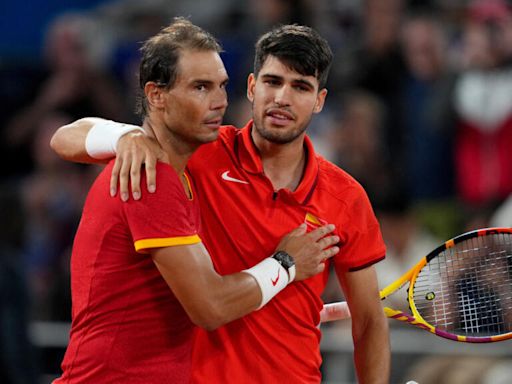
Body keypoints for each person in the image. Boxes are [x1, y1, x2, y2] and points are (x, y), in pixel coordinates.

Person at [51, 23, 390, 383]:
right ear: (252, 87)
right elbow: (63, 138)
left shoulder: (346, 197)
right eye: (273, 82)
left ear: (320, 100)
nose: (282, 98)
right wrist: (126, 135)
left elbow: (369, 321)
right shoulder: (187, 156)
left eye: (301, 87)